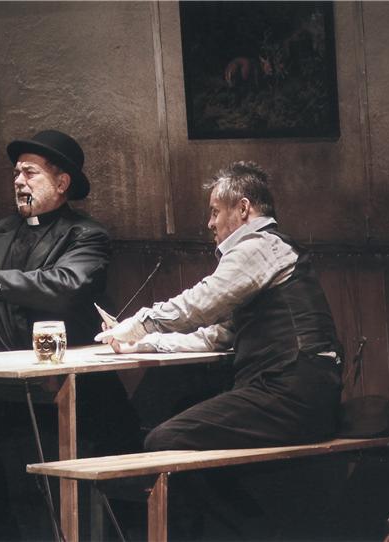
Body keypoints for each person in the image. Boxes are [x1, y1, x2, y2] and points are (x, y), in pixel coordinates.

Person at [95, 161, 343, 538]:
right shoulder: (262, 254)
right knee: (174, 425)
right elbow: (218, 336)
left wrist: (140, 322)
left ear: (243, 209)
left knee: (165, 440)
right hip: (294, 392)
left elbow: (203, 301)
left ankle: (249, 532)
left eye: (214, 212)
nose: (210, 223)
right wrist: (142, 343)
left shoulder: (260, 246)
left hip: (293, 392)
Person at [0, 130, 140, 539]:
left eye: (30, 173)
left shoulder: (86, 235)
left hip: (68, 389)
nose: (18, 181)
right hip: (2, 389)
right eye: (16, 173)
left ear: (62, 183)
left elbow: (64, 286)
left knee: (41, 465)